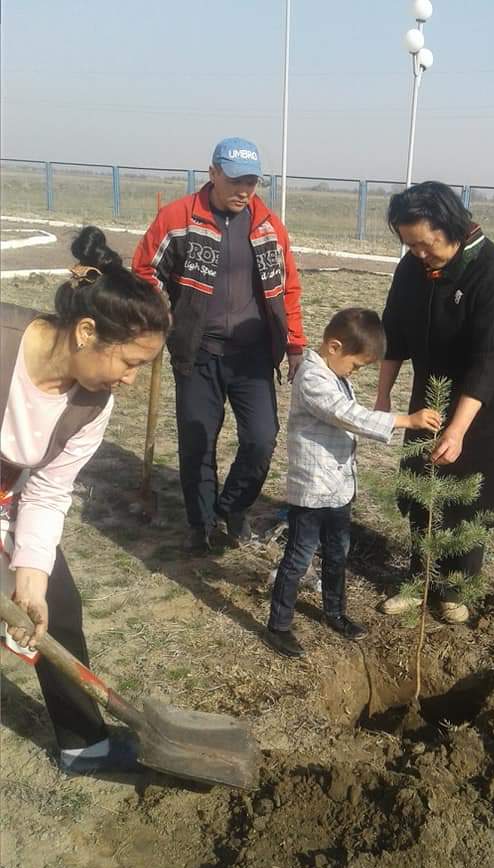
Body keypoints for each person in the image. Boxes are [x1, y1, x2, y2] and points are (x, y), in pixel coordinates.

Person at [0, 227, 170, 773]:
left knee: (58, 602)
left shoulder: (92, 405)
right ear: (87, 332)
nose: (131, 378)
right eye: (131, 362)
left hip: (8, 499)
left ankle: (84, 744)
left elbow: (48, 490)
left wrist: (29, 577)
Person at [132, 137, 306, 554]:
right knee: (197, 442)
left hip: (252, 357)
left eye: (250, 181)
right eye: (234, 181)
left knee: (261, 439)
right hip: (198, 352)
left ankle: (232, 507)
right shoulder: (178, 218)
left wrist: (295, 344)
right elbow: (145, 270)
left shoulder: (268, 224)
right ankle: (202, 522)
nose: (243, 191)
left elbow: (289, 288)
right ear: (212, 174)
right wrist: (161, 316)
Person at [375, 181, 494, 624]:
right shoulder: (412, 269)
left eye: (425, 244)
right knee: (422, 479)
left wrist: (458, 429)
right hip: (432, 384)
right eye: (410, 245)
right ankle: (418, 580)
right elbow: (394, 332)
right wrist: (385, 395)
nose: (418, 254)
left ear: (450, 226)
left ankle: (455, 588)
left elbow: (490, 358)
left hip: (486, 396)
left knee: (467, 491)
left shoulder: (492, 270)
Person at [265, 308, 441, 658]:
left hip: (339, 489)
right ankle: (279, 625)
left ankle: (335, 612)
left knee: (337, 552)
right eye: (356, 366)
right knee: (299, 557)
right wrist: (406, 419)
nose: (355, 372)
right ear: (334, 346)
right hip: (313, 491)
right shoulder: (312, 378)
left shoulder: (335, 374)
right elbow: (346, 414)